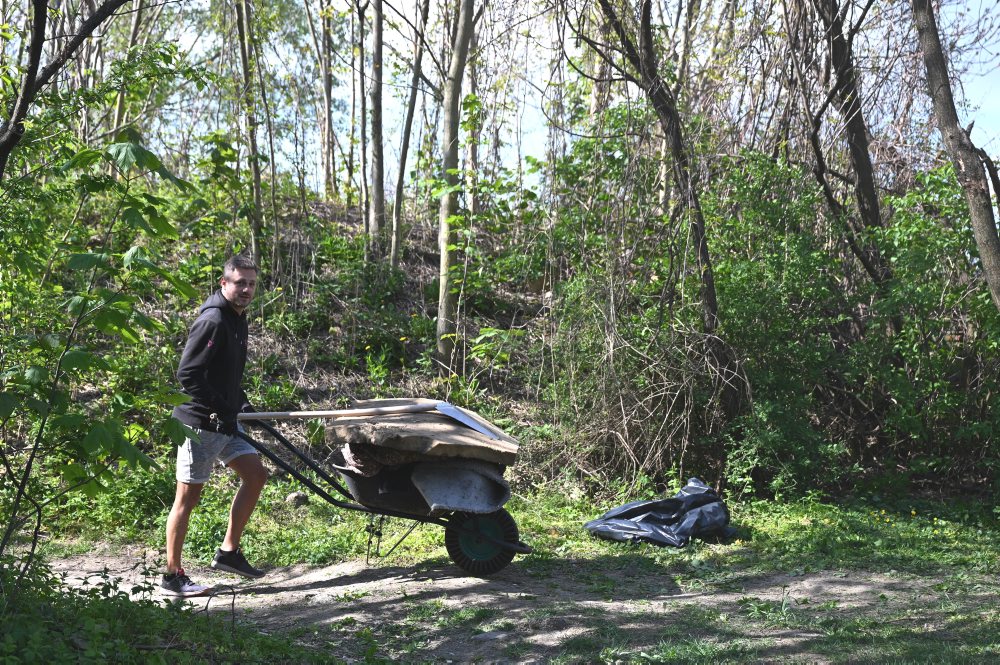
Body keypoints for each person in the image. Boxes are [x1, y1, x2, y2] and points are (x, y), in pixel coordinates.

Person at [160, 255, 269, 596]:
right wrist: (222, 407)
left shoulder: (238, 317)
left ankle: (228, 553)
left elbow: (227, 372)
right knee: (187, 498)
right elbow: (188, 373)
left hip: (225, 420)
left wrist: (241, 403)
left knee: (256, 475)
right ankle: (172, 575)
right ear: (224, 284)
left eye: (251, 283)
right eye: (239, 283)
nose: (246, 289)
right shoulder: (214, 320)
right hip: (200, 423)